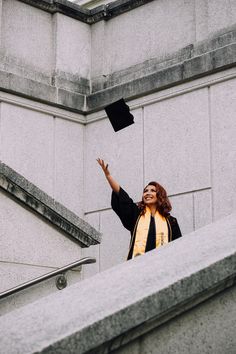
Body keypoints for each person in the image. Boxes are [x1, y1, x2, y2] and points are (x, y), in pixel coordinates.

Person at [97, 158, 182, 260]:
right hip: (137, 268)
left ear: (159, 195)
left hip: (162, 267)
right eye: (145, 191)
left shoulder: (171, 221)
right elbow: (123, 196)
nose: (147, 193)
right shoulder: (136, 215)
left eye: (152, 191)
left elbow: (178, 247)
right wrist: (108, 176)